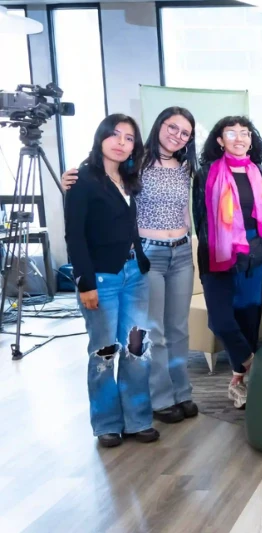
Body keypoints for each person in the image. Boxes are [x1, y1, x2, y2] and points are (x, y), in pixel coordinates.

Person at [62, 107, 200, 425]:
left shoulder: (186, 167)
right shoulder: (136, 161)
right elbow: (98, 181)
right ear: (158, 126)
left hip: (180, 253)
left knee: (177, 329)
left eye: (185, 132)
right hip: (146, 253)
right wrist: (69, 178)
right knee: (153, 333)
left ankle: (183, 392)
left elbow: (184, 210)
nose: (177, 135)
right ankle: (161, 398)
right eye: (172, 127)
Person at [65, 114, 158, 447]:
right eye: (115, 135)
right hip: (100, 280)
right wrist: (84, 282)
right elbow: (74, 235)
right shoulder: (82, 179)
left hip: (134, 274)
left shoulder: (129, 178)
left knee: (137, 349)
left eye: (129, 138)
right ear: (101, 137)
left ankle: (137, 420)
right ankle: (106, 424)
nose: (121, 142)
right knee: (104, 352)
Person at [192, 116, 262, 408]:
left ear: (251, 140)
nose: (239, 138)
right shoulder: (205, 174)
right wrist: (220, 247)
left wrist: (258, 249)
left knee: (248, 317)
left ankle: (239, 381)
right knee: (220, 318)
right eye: (231, 133)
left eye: (245, 133)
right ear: (220, 140)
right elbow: (200, 219)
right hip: (218, 251)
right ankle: (253, 363)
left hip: (255, 254)